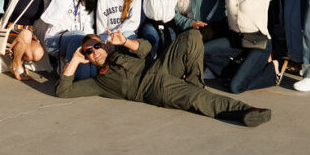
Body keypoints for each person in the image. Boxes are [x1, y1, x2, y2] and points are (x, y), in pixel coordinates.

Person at [56, 30, 271, 127]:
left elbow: (147, 48)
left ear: (103, 44)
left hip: (161, 66)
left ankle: (195, 84)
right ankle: (244, 111)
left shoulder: (118, 51)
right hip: (152, 88)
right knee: (195, 98)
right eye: (88, 52)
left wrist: (125, 43)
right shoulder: (99, 83)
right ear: (86, 57)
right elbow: (63, 91)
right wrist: (74, 60)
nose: (94, 52)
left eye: (96, 45)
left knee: (191, 37)